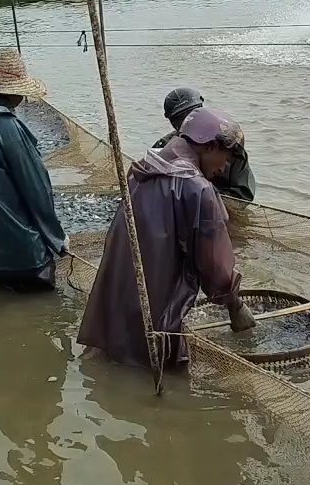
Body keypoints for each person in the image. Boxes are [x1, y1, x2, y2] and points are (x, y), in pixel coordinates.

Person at [77, 108, 255, 370]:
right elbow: (215, 266)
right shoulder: (198, 190)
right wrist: (235, 306)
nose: (224, 166)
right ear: (209, 146)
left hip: (110, 312)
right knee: (160, 377)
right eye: (225, 156)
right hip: (154, 323)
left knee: (108, 369)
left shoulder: (141, 169)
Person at [0, 48, 68, 290]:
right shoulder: (9, 128)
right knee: (43, 321)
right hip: (23, 255)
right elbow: (37, 189)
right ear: (10, 93)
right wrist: (57, 238)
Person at [154, 85, 256, 202]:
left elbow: (243, 194)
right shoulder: (164, 147)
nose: (189, 120)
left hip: (220, 204)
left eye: (193, 113)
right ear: (173, 122)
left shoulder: (226, 144)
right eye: (181, 118)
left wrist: (208, 199)